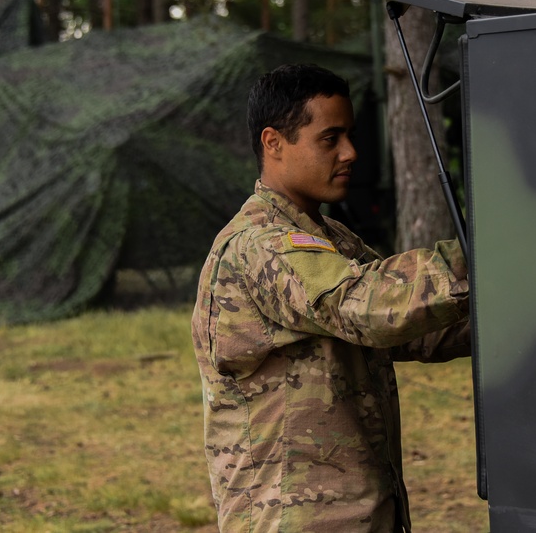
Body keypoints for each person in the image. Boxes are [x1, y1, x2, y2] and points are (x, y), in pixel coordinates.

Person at [192, 63, 471, 532]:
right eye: (330, 138)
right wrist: (479, 256)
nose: (350, 153)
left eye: (350, 136)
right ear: (273, 143)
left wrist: (517, 296)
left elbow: (415, 332)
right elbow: (362, 307)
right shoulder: (261, 243)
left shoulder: (326, 237)